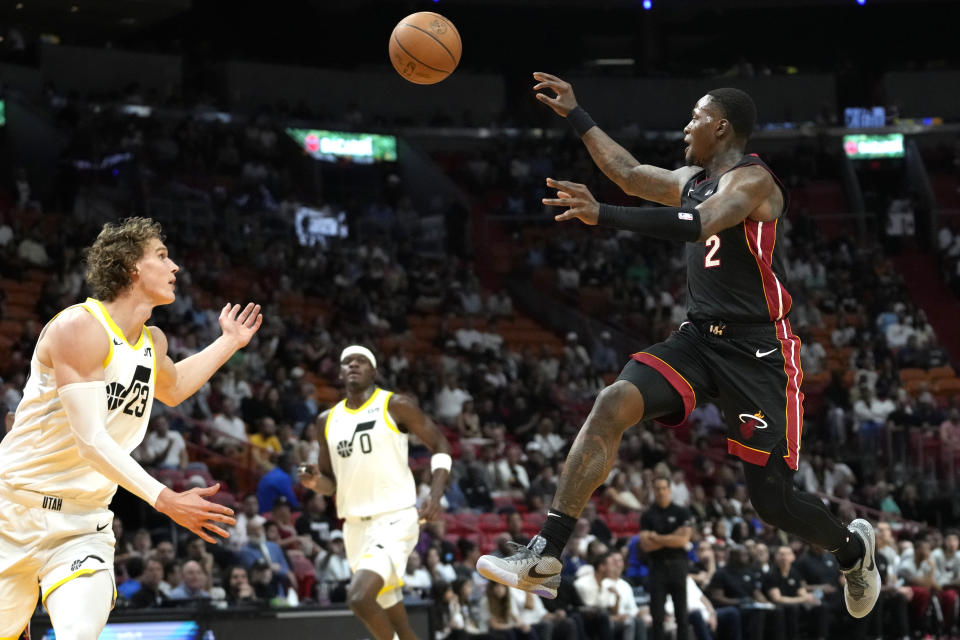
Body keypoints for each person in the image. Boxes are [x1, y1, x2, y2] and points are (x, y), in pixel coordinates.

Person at [478, 74, 878, 620]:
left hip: (759, 351)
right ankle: (545, 555)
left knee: (772, 502)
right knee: (612, 401)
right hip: (698, 339)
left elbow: (700, 223)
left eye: (695, 117)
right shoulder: (692, 177)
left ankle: (853, 552)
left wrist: (604, 215)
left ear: (720, 126)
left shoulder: (754, 182)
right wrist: (577, 113)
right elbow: (628, 173)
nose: (685, 126)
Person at [0, 217, 261, 640]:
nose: (174, 266)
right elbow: (90, 440)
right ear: (131, 267)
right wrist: (165, 499)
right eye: (162, 255)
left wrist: (229, 341)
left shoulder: (152, 341)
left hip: (84, 524)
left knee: (79, 632)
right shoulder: (79, 327)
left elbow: (173, 388)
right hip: (13, 512)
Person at [298, 345, 452, 640]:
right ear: (340, 373)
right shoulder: (326, 421)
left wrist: (434, 494)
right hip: (354, 527)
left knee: (359, 598)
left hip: (395, 519)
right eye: (347, 362)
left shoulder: (395, 405)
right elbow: (331, 482)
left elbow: (441, 444)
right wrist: (315, 483)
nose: (353, 365)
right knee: (396, 617)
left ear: (374, 371)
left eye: (361, 361)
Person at [641, 476, 693, 640]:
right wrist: (672, 537)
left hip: (678, 565)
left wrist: (656, 537)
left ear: (669, 490)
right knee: (657, 616)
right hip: (657, 567)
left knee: (682, 615)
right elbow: (645, 545)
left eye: (664, 488)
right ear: (653, 491)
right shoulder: (647, 515)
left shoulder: (682, 511)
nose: (661, 492)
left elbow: (683, 540)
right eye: (657, 488)